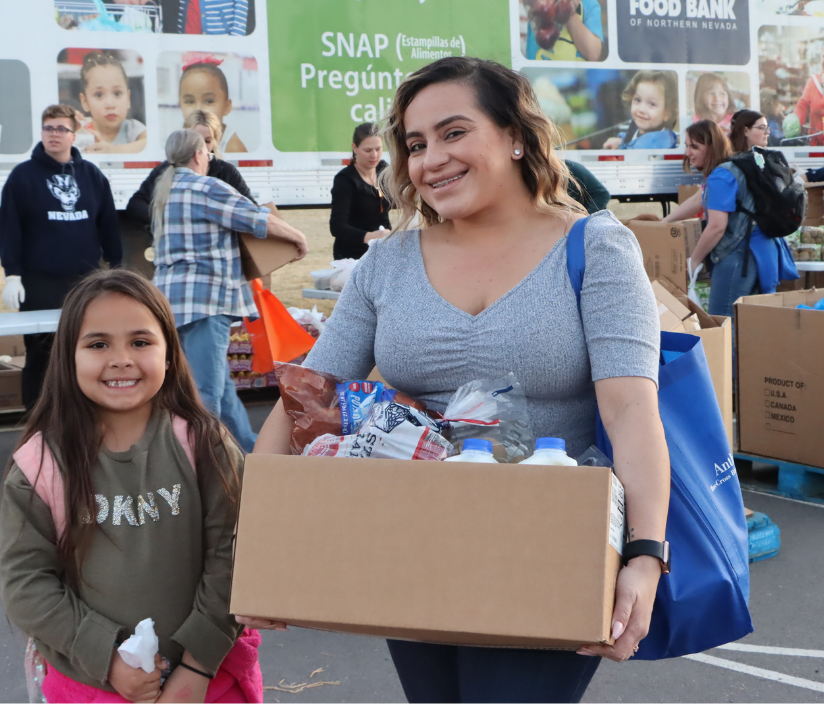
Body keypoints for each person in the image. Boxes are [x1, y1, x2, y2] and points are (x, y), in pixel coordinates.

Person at [240, 57, 670, 703]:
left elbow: (631, 411)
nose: (430, 159)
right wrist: (260, 546)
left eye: (453, 132)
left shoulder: (595, 248)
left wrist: (643, 556)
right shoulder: (387, 262)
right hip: (414, 540)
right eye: (415, 144)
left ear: (516, 135)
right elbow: (309, 395)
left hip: (551, 547)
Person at [0, 270, 262, 704]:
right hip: (89, 685)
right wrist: (106, 657)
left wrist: (197, 667)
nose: (121, 358)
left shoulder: (204, 444)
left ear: (170, 353)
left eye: (140, 342)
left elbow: (233, 557)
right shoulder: (39, 465)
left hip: (208, 681)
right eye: (98, 344)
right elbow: (27, 585)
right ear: (68, 357)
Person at [152, 129, 308, 452]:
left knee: (220, 389)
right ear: (198, 155)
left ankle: (251, 452)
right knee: (206, 392)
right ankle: (200, 459)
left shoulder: (164, 191)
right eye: (206, 153)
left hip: (169, 301)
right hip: (207, 300)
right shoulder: (205, 187)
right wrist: (297, 237)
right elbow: (254, 218)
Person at [0, 104, 122, 408]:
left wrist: (118, 271)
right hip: (39, 284)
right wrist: (12, 274)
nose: (54, 134)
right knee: (41, 357)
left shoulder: (92, 176)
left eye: (61, 129)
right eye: (49, 128)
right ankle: (35, 425)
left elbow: (108, 226)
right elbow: (8, 228)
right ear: (42, 133)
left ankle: (80, 420)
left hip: (85, 283)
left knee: (84, 354)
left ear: (73, 135)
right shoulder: (22, 177)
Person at [665, 119, 798, 318]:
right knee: (753, 328)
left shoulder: (721, 175)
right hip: (765, 256)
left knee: (724, 326)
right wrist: (663, 223)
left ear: (711, 147)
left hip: (739, 259)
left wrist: (694, 261)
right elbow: (698, 199)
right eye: (686, 146)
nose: (687, 153)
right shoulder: (735, 167)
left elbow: (717, 226)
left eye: (695, 147)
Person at [127, 110, 254, 228]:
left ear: (215, 141)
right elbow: (136, 205)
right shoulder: (167, 168)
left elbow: (250, 208)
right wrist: (169, 219)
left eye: (207, 141)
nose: (201, 147)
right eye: (196, 140)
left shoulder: (226, 171)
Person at [329, 123, 391, 259]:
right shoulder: (345, 180)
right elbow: (337, 226)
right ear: (355, 148)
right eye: (368, 150)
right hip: (352, 255)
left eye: (378, 149)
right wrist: (368, 237)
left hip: (382, 250)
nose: (374, 155)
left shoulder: (383, 169)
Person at [73, 51, 148, 154]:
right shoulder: (82, 128)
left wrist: (113, 150)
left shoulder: (132, 128)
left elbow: (148, 143)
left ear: (128, 99)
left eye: (117, 93)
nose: (110, 104)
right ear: (85, 102)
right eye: (99, 95)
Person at [178, 59, 247, 153]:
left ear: (227, 107)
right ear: (180, 105)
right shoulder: (180, 140)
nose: (199, 109)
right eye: (190, 101)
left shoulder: (232, 147)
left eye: (209, 101)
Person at [604, 71, 678, 149]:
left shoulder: (653, 145)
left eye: (652, 104)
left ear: (667, 113)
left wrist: (622, 147)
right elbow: (634, 137)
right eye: (638, 100)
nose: (641, 109)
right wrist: (621, 140)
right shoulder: (643, 132)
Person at [793, 38, 824, 147]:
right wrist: (793, 121)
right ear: (820, 58)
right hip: (815, 148)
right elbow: (802, 105)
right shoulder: (813, 81)